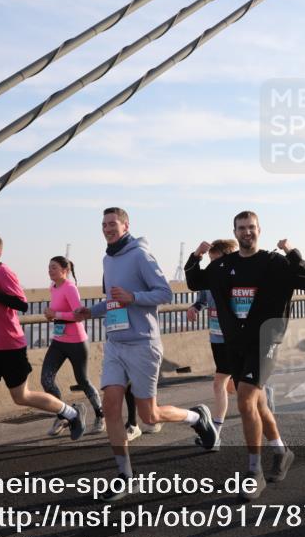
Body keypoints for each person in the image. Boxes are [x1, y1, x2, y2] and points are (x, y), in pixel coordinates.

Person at [75, 207, 217, 502]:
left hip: (142, 343)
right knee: (111, 405)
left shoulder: (141, 255)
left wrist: (134, 297)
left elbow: (164, 293)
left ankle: (196, 417)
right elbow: (114, 301)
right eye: (103, 224)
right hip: (115, 343)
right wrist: (92, 311)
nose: (107, 228)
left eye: (113, 224)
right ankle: (125, 475)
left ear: (126, 225)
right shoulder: (107, 259)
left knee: (148, 415)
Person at [186, 210, 305, 501]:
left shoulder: (275, 262)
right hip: (236, 342)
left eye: (251, 227)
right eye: (241, 228)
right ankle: (281, 452)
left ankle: (253, 471)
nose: (247, 232)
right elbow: (195, 282)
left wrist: (293, 251)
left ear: (260, 230)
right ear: (234, 232)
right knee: (258, 403)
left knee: (245, 397)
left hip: (266, 339)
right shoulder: (223, 265)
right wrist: (195, 257)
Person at [0, 235, 86, 476]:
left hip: (10, 347)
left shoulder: (3, 272)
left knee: (21, 397)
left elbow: (21, 304)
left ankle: (71, 413)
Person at [41, 256, 105, 435]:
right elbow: (58, 313)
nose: (50, 271)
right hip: (59, 341)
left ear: (65, 270)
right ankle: (64, 416)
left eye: (54, 267)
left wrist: (56, 313)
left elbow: (78, 315)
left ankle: (100, 415)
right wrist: (51, 315)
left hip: (76, 341)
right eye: (49, 267)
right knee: (46, 379)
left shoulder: (70, 288)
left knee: (82, 380)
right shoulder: (53, 288)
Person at [186, 238, 239, 451]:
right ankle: (263, 392)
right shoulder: (209, 278)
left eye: (216, 261)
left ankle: (215, 433)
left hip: (233, 339)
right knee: (232, 386)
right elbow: (202, 299)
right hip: (216, 337)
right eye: (211, 261)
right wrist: (195, 308)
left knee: (219, 384)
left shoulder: (236, 279)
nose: (213, 266)